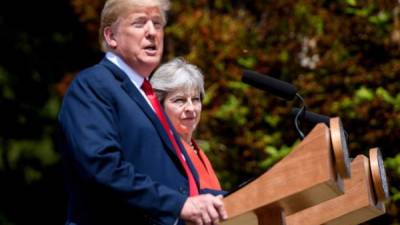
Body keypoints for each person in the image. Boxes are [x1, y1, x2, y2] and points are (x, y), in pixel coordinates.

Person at [57, 0, 227, 224]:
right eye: (139, 23)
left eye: (157, 24)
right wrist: (177, 205)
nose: (152, 32)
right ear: (111, 37)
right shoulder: (93, 85)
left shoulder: (146, 95)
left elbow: (168, 174)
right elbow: (103, 166)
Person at [150, 58, 224, 195]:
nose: (191, 108)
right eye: (180, 100)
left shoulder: (196, 150)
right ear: (159, 106)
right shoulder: (160, 153)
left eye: (195, 99)